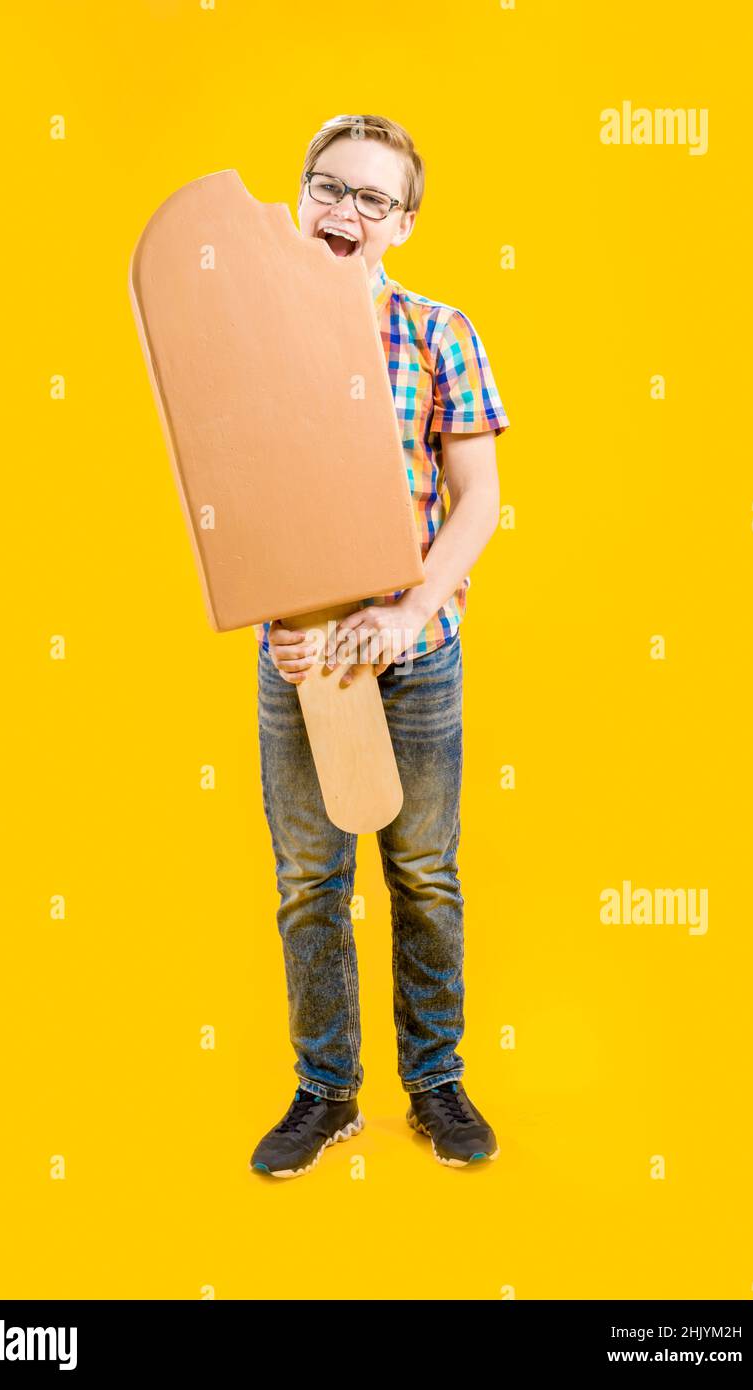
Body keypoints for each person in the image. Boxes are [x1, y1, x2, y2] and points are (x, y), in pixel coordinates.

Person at [250, 114, 511, 1177]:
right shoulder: (244, 334)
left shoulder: (438, 331)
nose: (343, 211)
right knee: (309, 878)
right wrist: (278, 619)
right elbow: (236, 497)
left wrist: (408, 612)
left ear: (400, 223)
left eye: (370, 198)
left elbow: (479, 497)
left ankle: (436, 1080)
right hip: (302, 659)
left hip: (414, 652)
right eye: (327, 187)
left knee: (424, 874)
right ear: (299, 198)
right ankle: (324, 1092)